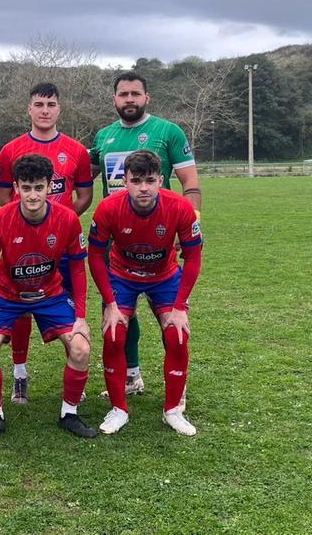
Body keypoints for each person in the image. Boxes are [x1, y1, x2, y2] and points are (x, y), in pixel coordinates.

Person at [89, 71, 201, 397]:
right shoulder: (103, 136)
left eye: (135, 94)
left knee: (169, 320)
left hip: (160, 235)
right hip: (115, 238)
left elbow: (190, 184)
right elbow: (81, 179)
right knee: (119, 315)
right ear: (114, 99)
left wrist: (190, 224)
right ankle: (131, 375)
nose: (129, 100)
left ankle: (173, 393)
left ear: (146, 97)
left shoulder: (168, 131)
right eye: (123, 94)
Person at [0, 153, 96, 441]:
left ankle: (69, 413)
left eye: (38, 187)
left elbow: (78, 269)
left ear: (50, 186)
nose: (32, 195)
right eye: (25, 187)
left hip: (51, 295)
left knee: (81, 347)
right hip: (7, 296)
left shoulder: (67, 219)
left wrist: (81, 317)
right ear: (15, 187)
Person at [88, 150, 203, 436]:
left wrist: (178, 308)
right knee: (114, 332)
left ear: (161, 181)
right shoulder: (108, 208)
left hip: (164, 277)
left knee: (177, 334)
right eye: (136, 180)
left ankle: (173, 410)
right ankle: (118, 408)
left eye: (150, 180)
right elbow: (94, 256)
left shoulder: (180, 207)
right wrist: (110, 304)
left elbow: (194, 258)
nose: (143, 188)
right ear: (124, 181)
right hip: (122, 276)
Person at [0, 82, 93, 404]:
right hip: (22, 242)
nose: (45, 110)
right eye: (39, 104)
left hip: (61, 245)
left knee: (63, 310)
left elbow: (85, 195)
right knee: (21, 305)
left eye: (51, 104)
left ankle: (74, 386)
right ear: (30, 109)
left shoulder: (76, 150)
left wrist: (60, 221)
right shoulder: (10, 150)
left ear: (59, 108)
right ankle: (20, 375)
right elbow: (5, 198)